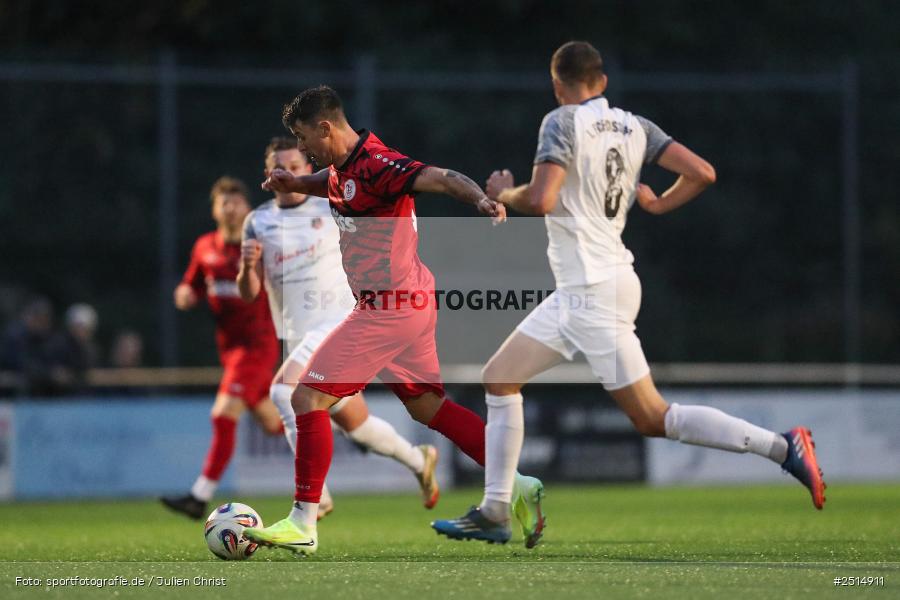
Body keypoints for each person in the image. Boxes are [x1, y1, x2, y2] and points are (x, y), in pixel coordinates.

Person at [432, 41, 826, 544]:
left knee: (653, 417)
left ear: (558, 85)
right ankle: (494, 510)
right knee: (500, 378)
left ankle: (783, 446)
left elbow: (541, 198)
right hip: (590, 288)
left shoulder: (561, 121)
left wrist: (501, 190)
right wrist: (659, 205)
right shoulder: (636, 126)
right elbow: (702, 172)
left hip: (592, 292)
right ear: (603, 82)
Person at [243, 86, 544, 555]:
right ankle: (517, 486)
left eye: (304, 139)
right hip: (408, 301)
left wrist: (480, 202)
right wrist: (295, 184)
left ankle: (303, 521)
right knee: (428, 409)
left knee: (305, 397)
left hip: (389, 306)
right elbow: (333, 183)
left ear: (325, 127)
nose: (302, 150)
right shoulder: (344, 168)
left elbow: (441, 178)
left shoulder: (380, 164)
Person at [238, 136, 441, 519]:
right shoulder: (258, 222)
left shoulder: (332, 202)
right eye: (280, 167)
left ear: (306, 170)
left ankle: (315, 499)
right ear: (269, 173)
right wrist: (248, 267)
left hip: (340, 322)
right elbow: (249, 294)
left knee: (283, 392)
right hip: (300, 337)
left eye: (297, 166)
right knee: (355, 424)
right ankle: (419, 459)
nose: (289, 173)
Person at [161, 176, 285, 519]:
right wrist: (185, 295)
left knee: (222, 415)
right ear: (215, 210)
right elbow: (192, 284)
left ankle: (198, 496)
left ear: (246, 208)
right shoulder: (204, 247)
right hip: (229, 349)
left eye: (235, 201)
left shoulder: (260, 246)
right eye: (223, 203)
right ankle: (338, 422)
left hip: (257, 346)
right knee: (273, 422)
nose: (230, 208)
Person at [47, 303, 100, 394]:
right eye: (78, 326)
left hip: (84, 397)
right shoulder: (58, 345)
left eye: (84, 327)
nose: (81, 331)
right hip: (59, 396)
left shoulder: (91, 350)